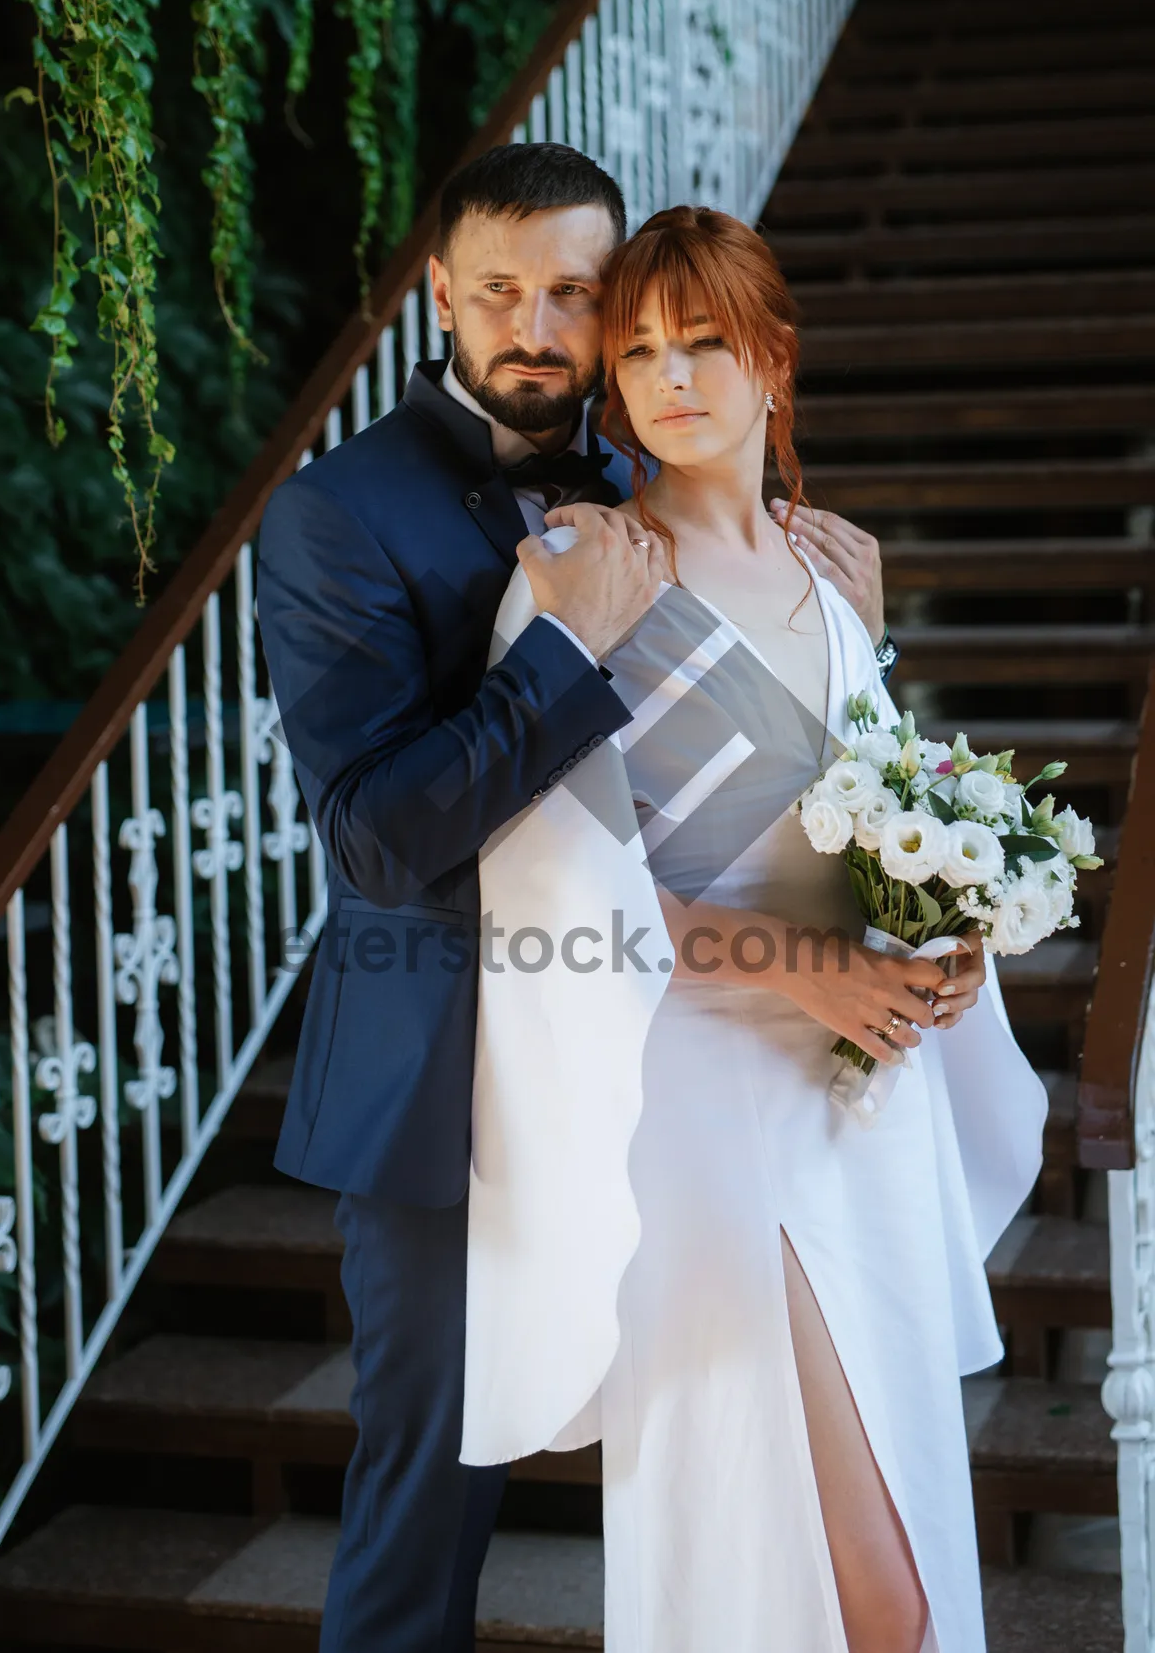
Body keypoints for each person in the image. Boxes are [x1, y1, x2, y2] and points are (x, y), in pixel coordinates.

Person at [256, 145, 892, 1651]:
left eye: (573, 293)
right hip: (450, 1098)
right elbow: (374, 836)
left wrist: (848, 631)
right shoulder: (337, 515)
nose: (536, 325)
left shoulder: (649, 477)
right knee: (430, 1503)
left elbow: (737, 782)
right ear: (441, 296)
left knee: (719, 1477)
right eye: (499, 291)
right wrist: (561, 659)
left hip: (672, 1067)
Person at [460, 206, 1050, 1653]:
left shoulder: (835, 574)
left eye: (707, 341)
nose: (670, 377)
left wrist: (944, 938)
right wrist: (809, 968)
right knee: (851, 1594)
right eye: (642, 348)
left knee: (904, 1555)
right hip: (705, 1110)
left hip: (862, 1113)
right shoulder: (582, 572)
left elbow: (876, 818)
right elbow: (558, 886)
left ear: (774, 359)